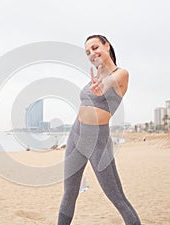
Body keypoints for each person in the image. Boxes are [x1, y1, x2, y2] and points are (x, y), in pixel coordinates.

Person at [57, 35, 141, 225]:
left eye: (95, 48)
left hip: (97, 142)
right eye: (88, 52)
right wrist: (98, 81)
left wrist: (102, 85)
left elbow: (111, 82)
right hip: (75, 136)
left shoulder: (121, 74)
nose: (92, 53)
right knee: (69, 194)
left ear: (107, 45)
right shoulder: (94, 77)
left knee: (118, 198)